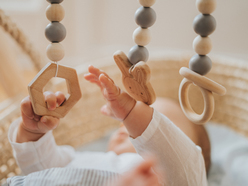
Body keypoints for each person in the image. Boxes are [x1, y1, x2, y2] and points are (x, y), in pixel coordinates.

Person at [7, 65, 210, 186]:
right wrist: (34, 133)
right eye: (128, 122)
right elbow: (41, 170)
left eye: (160, 121)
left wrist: (132, 111)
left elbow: (183, 161)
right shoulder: (88, 159)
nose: (127, 126)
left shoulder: (177, 177)